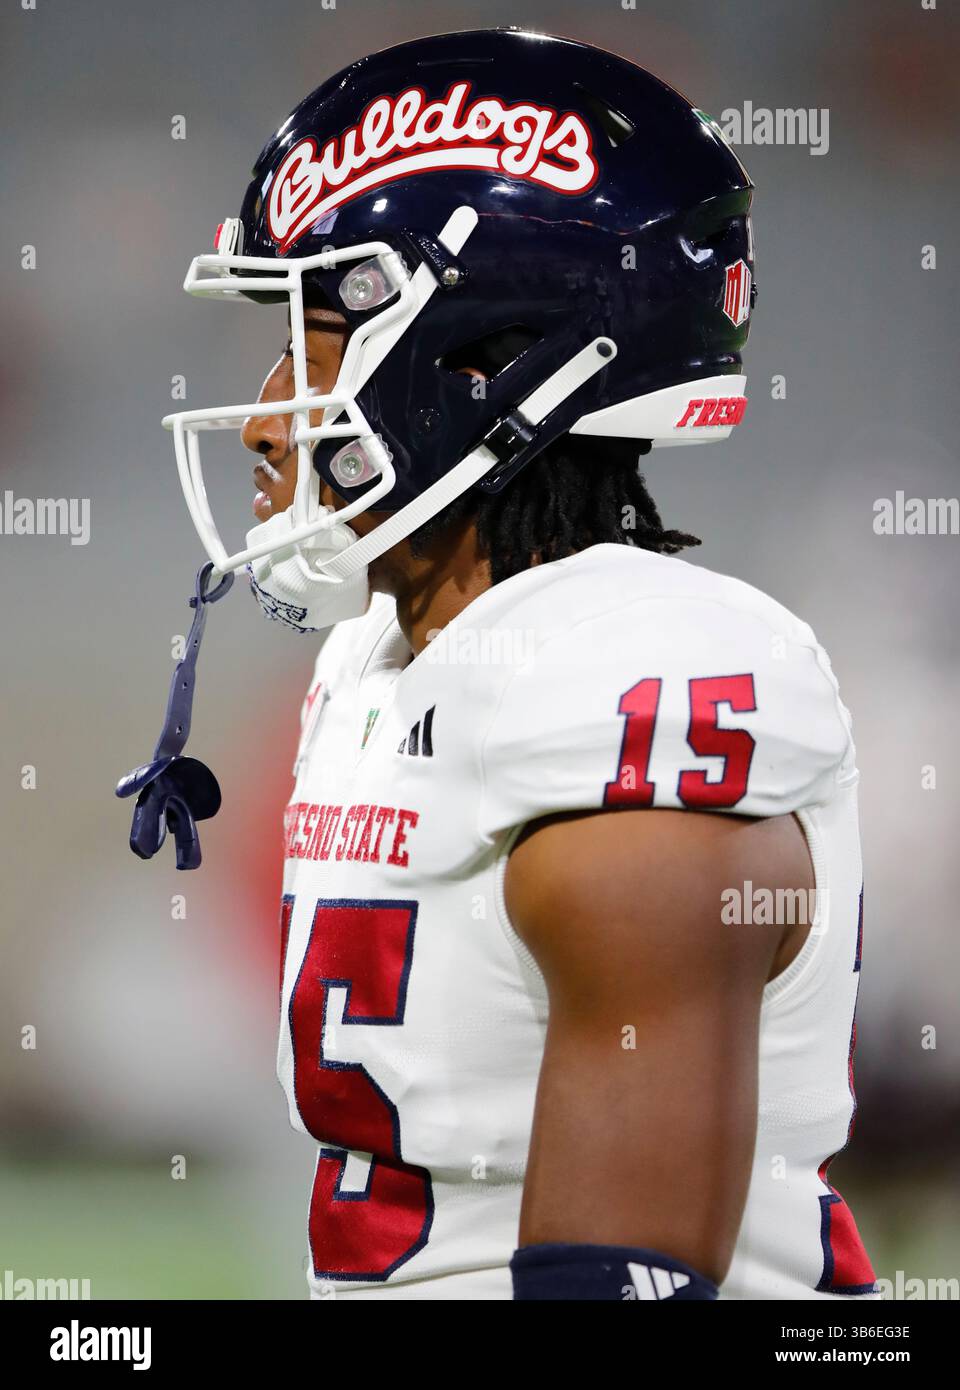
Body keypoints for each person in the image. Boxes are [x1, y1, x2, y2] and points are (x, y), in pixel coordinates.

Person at [159, 27, 876, 1300]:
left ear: (489, 367)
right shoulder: (385, 661)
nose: (272, 412)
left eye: (320, 349)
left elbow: (619, 1281)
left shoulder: (625, 678)